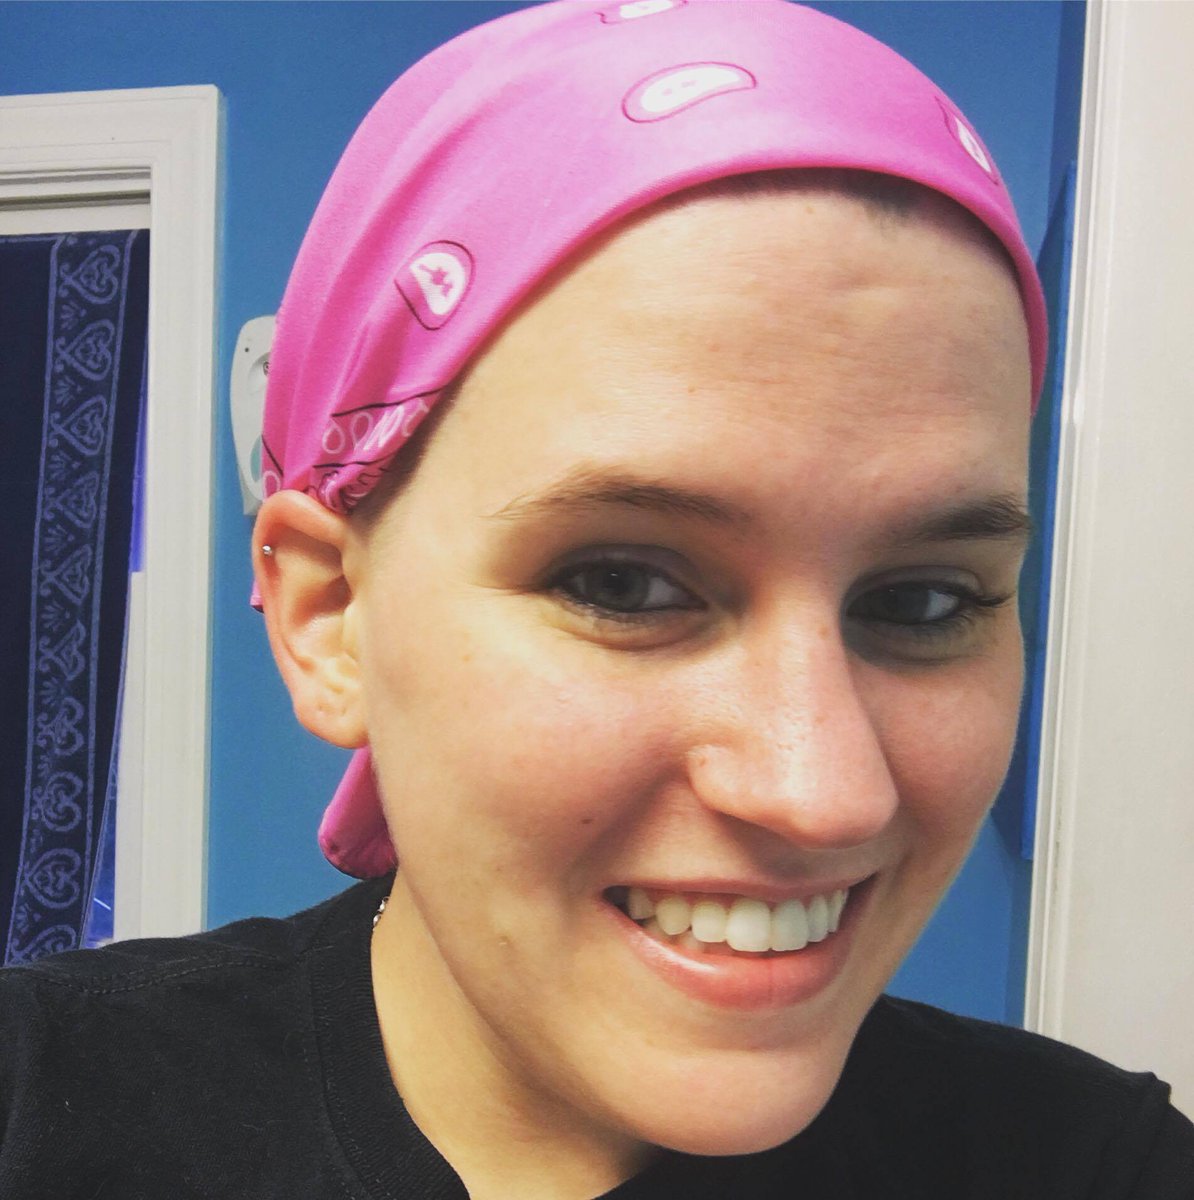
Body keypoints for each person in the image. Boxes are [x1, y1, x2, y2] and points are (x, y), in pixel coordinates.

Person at [2, 2, 1192, 1196]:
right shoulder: (36, 1109)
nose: (823, 793)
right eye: (624, 585)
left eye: (924, 602)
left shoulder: (1094, 1166)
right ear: (332, 616)